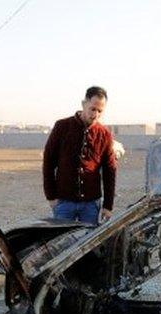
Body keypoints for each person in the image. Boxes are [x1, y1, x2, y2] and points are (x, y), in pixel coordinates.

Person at [42, 86, 117, 224]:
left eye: (100, 111)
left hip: (91, 205)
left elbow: (109, 171)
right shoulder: (62, 127)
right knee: (63, 243)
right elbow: (48, 162)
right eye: (93, 109)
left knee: (89, 242)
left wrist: (108, 206)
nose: (95, 114)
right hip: (63, 202)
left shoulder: (104, 134)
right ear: (84, 104)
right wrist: (51, 196)